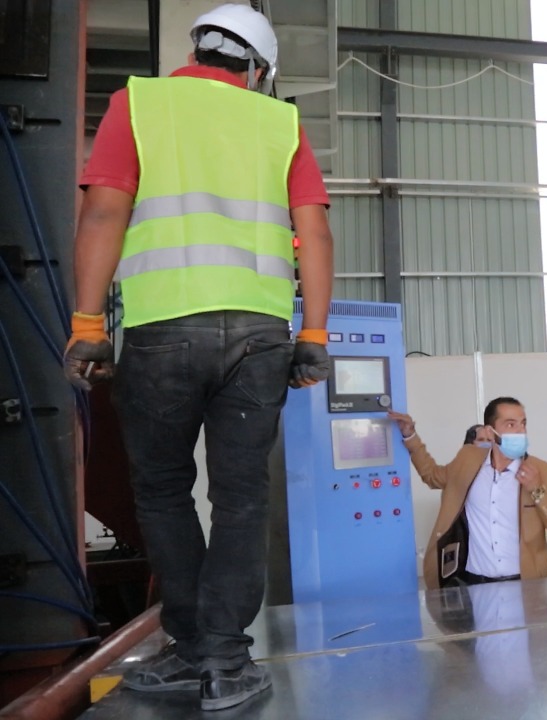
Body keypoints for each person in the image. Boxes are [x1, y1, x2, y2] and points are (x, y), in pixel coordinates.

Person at [63, 5, 333, 711]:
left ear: (199, 52)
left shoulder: (138, 104)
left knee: (162, 491)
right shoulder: (281, 123)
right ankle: (225, 659)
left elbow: (102, 212)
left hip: (164, 329)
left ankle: (190, 649)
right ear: (258, 69)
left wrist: (87, 323)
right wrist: (314, 334)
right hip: (259, 338)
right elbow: (313, 233)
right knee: (241, 496)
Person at [397, 397, 547, 589]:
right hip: (474, 583)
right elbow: (432, 476)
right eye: (510, 424)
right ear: (490, 432)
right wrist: (410, 437)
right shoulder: (468, 459)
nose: (520, 431)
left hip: (528, 586)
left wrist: (537, 490)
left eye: (523, 424)